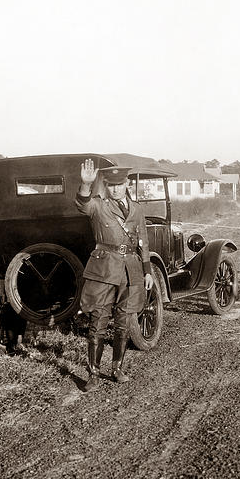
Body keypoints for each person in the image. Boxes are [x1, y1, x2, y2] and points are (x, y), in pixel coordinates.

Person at [76, 159, 154, 391]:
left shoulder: (137, 209)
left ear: (127, 183)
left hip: (131, 271)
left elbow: (144, 243)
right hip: (104, 270)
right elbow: (82, 205)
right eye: (111, 185)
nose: (115, 189)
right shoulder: (98, 206)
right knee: (98, 322)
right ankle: (93, 374)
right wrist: (85, 184)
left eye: (119, 184)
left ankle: (117, 368)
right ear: (106, 186)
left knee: (123, 323)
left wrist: (147, 271)